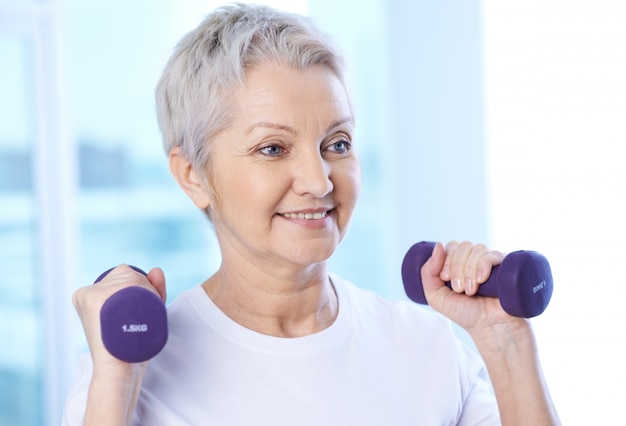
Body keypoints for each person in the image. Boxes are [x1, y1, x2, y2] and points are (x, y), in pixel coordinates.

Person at [62, 3, 560, 425]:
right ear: (193, 175)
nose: (320, 181)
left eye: (336, 143)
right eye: (274, 148)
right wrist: (116, 385)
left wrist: (505, 343)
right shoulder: (125, 377)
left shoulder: (428, 349)